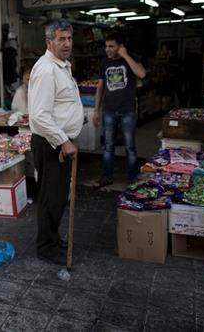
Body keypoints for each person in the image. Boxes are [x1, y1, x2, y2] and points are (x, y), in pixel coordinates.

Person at [28, 19, 84, 265]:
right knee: (51, 197)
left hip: (59, 141)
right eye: (61, 39)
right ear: (49, 42)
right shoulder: (46, 69)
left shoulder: (62, 66)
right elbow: (39, 115)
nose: (67, 43)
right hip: (51, 143)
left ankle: (51, 238)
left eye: (69, 38)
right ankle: (46, 247)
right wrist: (63, 141)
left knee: (58, 196)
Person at [93, 33, 146, 188]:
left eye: (111, 46)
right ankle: (107, 177)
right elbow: (100, 87)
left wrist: (125, 55)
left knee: (130, 147)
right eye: (106, 46)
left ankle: (133, 178)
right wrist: (96, 110)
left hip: (127, 110)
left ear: (120, 46)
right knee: (108, 146)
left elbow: (141, 74)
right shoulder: (105, 62)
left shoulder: (131, 58)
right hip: (109, 110)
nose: (107, 50)